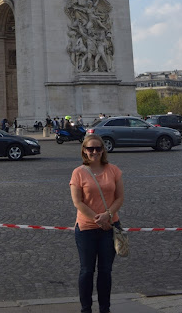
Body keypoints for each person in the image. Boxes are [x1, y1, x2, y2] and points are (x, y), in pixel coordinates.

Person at [69, 134, 124, 313]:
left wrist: (107, 215)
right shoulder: (78, 172)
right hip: (86, 228)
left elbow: (120, 198)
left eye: (98, 148)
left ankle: (104, 309)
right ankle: (86, 309)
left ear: (103, 150)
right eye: (90, 149)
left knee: (105, 271)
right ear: (84, 151)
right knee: (86, 271)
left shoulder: (113, 170)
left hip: (110, 227)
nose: (94, 152)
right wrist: (98, 219)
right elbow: (78, 202)